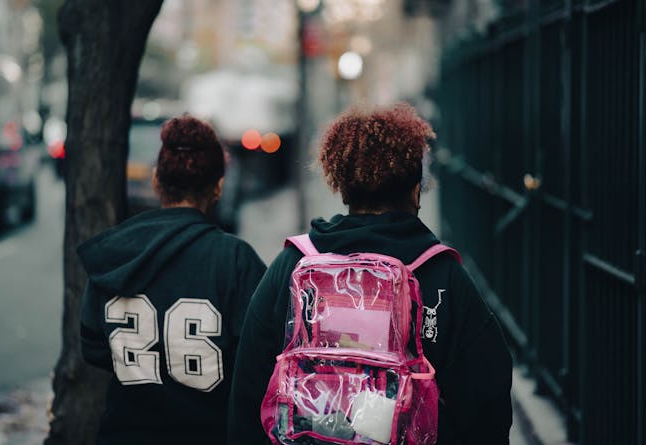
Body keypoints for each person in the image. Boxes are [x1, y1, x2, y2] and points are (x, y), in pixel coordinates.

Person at [228, 103, 513, 444]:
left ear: (343, 189)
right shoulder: (443, 275)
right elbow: (487, 402)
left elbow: (248, 387)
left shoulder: (292, 266)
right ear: (415, 189)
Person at [79, 115, 266, 444]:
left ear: (155, 180)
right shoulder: (236, 260)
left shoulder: (113, 253)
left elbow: (93, 347)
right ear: (218, 187)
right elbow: (259, 356)